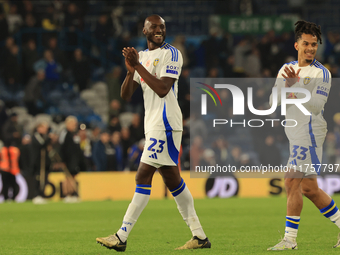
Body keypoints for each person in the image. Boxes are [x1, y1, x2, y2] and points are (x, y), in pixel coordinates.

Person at [96, 14, 210, 251]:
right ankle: (199, 236)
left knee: (142, 176)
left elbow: (162, 88)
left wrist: (137, 66)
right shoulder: (143, 57)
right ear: (144, 31)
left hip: (166, 123)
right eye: (154, 27)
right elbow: (126, 96)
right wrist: (130, 72)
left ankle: (121, 236)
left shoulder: (171, 53)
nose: (159, 30)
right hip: (154, 125)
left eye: (162, 27)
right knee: (173, 180)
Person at [267, 21, 339, 250]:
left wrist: (295, 88)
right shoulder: (286, 69)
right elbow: (272, 102)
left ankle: (289, 240)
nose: (310, 48)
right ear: (297, 44)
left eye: (314, 44)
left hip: (309, 132)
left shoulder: (322, 73)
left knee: (290, 181)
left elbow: (317, 106)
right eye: (306, 44)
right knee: (309, 189)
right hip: (294, 131)